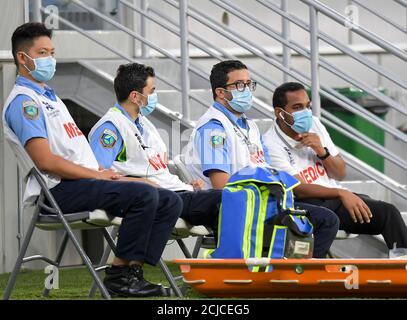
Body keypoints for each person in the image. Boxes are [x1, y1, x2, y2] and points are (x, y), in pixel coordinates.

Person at [3, 22, 183, 298]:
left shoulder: (51, 98)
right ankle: (119, 276)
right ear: (22, 58)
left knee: (170, 199)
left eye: (52, 52)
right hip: (56, 191)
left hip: (81, 182)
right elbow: (45, 162)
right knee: (144, 194)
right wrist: (98, 176)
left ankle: (132, 271)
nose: (50, 59)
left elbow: (79, 157)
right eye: (42, 53)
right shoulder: (25, 102)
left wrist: (113, 175)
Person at [184, 60, 339, 258]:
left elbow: (266, 170)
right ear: (221, 93)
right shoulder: (214, 127)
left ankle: (293, 278)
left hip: (263, 201)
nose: (247, 90)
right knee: (324, 220)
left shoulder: (250, 126)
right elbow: (221, 185)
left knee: (325, 219)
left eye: (249, 84)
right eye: (240, 85)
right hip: (238, 206)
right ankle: (296, 278)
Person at [262, 82, 407, 252]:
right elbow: (298, 189)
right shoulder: (270, 143)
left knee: (388, 213)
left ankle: (402, 265)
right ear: (280, 113)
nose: (305, 113)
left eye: (308, 106)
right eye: (297, 107)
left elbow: (339, 173)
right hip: (307, 203)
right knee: (326, 217)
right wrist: (341, 193)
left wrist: (321, 151)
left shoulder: (314, 123)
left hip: (334, 198)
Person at [88, 63, 221, 232]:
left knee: (227, 200)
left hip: (174, 191)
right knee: (224, 201)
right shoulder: (111, 128)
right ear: (135, 97)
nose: (154, 96)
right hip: (157, 198)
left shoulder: (144, 123)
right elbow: (97, 175)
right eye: (151, 91)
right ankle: (229, 256)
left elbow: (155, 170)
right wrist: (142, 183)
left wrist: (187, 185)